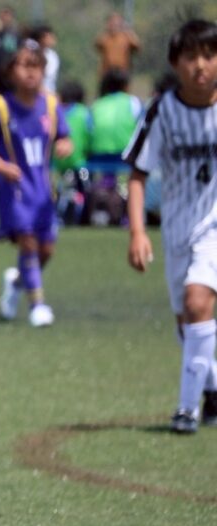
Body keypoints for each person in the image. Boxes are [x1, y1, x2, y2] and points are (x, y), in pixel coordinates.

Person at [123, 19, 217, 434]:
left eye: (210, 55)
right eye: (191, 56)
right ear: (176, 63)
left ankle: (186, 409)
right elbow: (138, 174)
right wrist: (137, 232)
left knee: (198, 304)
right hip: (176, 229)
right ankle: (212, 389)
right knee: (186, 321)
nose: (201, 65)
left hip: (214, 228)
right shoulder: (162, 111)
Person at [0, 40, 72, 327]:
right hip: (15, 190)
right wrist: (1, 165)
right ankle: (38, 305)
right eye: (24, 65)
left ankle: (17, 282)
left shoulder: (51, 105)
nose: (31, 72)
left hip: (43, 190)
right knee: (28, 242)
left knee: (46, 250)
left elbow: (64, 136)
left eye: (37, 66)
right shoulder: (0, 106)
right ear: (10, 72)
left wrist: (65, 143)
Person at [52, 80, 91, 226]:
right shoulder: (84, 112)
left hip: (59, 165)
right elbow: (90, 136)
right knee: (85, 188)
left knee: (63, 189)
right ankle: (83, 217)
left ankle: (59, 215)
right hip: (81, 165)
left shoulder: (56, 112)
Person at [89, 68, 142, 162]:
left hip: (99, 157)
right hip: (126, 156)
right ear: (125, 85)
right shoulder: (133, 102)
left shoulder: (96, 105)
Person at [95, 11, 141, 81]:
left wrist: (129, 31)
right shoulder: (106, 37)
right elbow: (97, 44)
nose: (114, 25)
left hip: (122, 72)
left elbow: (137, 46)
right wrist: (106, 30)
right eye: (112, 22)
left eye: (117, 23)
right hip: (108, 72)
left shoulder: (126, 37)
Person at [29, 24, 59, 94]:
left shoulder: (52, 56)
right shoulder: (31, 53)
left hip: (48, 92)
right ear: (42, 38)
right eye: (50, 36)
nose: (52, 39)